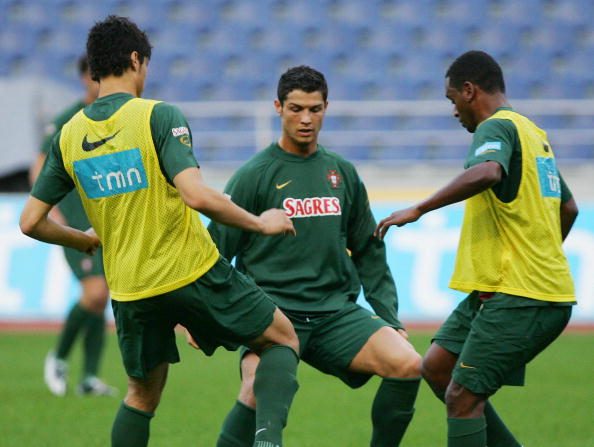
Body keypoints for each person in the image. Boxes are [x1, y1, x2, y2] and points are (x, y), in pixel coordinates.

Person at [20, 15, 300, 447]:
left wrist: (84, 239)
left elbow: (30, 221)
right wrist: (260, 222)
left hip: (132, 289)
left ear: (93, 68)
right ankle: (267, 442)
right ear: (136, 60)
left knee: (141, 396)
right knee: (282, 337)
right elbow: (198, 196)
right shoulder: (158, 115)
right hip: (191, 270)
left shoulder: (67, 136)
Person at [205, 65, 422, 447]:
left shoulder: (342, 173)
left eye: (315, 109)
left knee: (408, 365)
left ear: (326, 108)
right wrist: (202, 318)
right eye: (296, 108)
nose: (306, 119)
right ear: (278, 107)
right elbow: (215, 252)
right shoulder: (254, 175)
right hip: (272, 313)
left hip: (334, 313)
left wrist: (389, 315)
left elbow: (369, 250)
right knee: (256, 388)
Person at [375, 50, 578, 447]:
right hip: (503, 287)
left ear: (469, 91)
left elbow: (487, 172)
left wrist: (419, 208)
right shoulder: (533, 134)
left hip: (521, 293)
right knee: (436, 368)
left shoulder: (494, 128)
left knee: (462, 399)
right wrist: (540, 251)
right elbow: (568, 206)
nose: (454, 112)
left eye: (452, 100)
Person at [30, 55, 116, 397]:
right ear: (84, 79)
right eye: (97, 77)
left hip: (107, 219)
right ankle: (59, 356)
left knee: (101, 296)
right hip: (75, 220)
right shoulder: (68, 120)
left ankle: (89, 378)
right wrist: (48, 210)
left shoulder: (116, 120)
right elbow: (40, 166)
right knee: (95, 292)